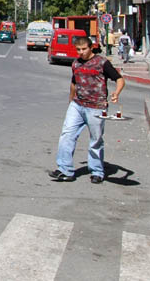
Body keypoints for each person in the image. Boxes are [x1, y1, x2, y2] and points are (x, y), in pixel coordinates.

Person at [48, 34, 125, 184]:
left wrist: (116, 93)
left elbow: (119, 79)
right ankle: (64, 169)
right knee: (67, 135)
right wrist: (71, 101)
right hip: (77, 105)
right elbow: (74, 83)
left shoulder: (102, 63)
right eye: (78, 49)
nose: (81, 52)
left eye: (84, 49)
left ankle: (97, 171)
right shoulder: (76, 63)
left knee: (95, 140)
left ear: (91, 48)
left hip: (96, 107)